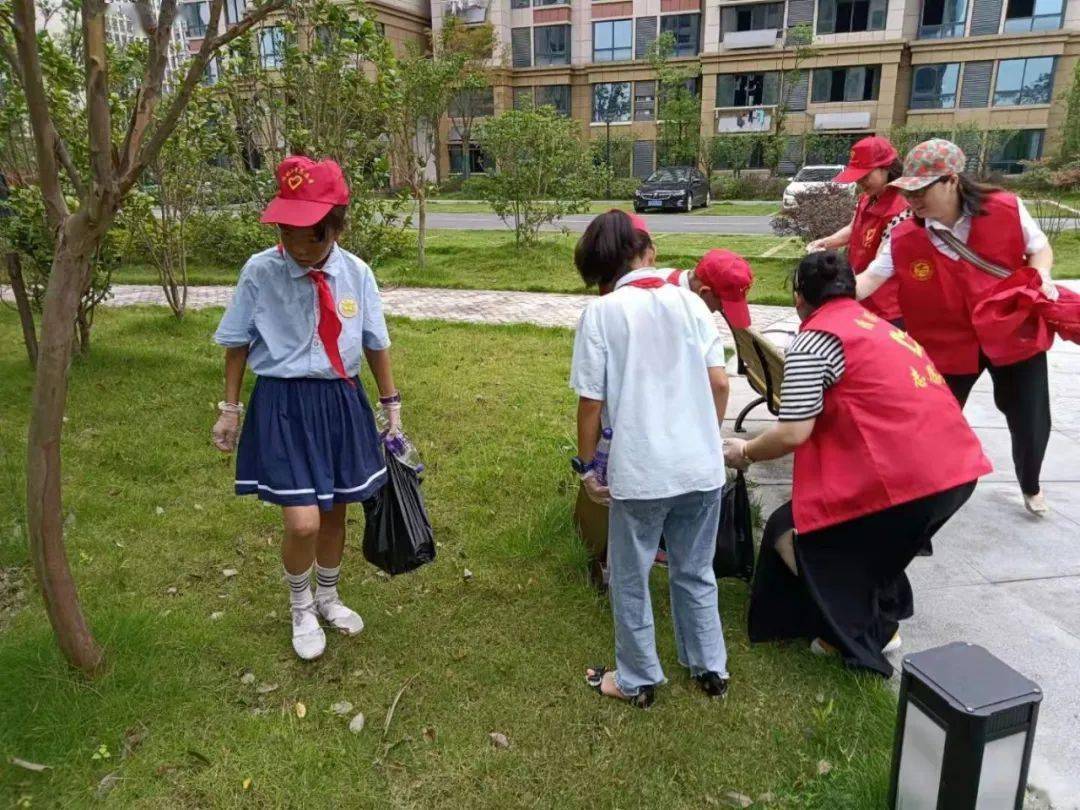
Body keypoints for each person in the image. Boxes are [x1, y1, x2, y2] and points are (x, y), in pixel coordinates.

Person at [724, 251, 992, 677]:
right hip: (958, 472)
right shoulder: (881, 328)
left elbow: (794, 432)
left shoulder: (814, 341)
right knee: (867, 547)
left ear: (798, 298)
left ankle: (865, 631)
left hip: (911, 481)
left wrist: (746, 451)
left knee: (792, 532)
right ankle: (863, 621)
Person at [211, 156, 403, 661]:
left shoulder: (356, 273)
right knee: (303, 522)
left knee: (336, 512)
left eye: (312, 234)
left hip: (340, 401)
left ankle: (329, 595)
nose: (298, 246)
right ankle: (300, 605)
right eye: (287, 232)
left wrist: (392, 408)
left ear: (336, 225)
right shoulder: (260, 270)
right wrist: (230, 409)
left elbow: (375, 344)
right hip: (283, 405)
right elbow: (236, 344)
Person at [570, 210, 732, 708]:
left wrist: (585, 467)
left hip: (641, 473)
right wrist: (708, 436)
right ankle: (710, 667)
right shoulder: (691, 303)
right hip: (702, 469)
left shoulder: (601, 314)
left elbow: (590, 405)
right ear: (648, 252)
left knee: (630, 574)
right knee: (695, 568)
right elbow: (720, 383)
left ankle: (637, 679)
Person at [856, 139, 1057, 516]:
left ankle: (1031, 482)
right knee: (931, 423)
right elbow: (869, 279)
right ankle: (922, 507)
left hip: (1010, 331)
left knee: (1030, 415)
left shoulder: (1004, 208)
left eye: (921, 190)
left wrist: (1042, 274)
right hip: (948, 341)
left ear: (951, 180)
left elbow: (1040, 248)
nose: (912, 200)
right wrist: (829, 296)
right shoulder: (905, 235)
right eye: (907, 191)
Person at [807, 136, 909, 325]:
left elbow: (882, 264)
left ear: (885, 167)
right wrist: (825, 242)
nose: (860, 181)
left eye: (865, 175)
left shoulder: (901, 209)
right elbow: (854, 228)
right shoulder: (867, 198)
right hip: (859, 294)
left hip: (886, 308)